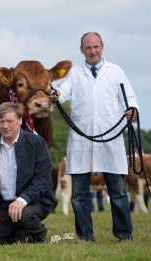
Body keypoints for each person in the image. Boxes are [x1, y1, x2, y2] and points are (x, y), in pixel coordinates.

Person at [53, 32, 138, 241]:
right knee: (79, 194)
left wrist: (133, 110)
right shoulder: (74, 73)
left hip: (110, 139)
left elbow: (131, 98)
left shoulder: (116, 71)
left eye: (96, 47)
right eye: (88, 48)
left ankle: (124, 235)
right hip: (81, 140)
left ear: (103, 47)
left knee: (117, 192)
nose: (92, 51)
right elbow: (63, 91)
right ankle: (85, 236)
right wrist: (55, 94)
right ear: (81, 50)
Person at [0, 102, 55, 245]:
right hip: (5, 205)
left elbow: (42, 179)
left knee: (24, 215)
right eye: (1, 121)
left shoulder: (37, 143)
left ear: (20, 120)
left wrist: (22, 200)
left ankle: (40, 235)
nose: (5, 126)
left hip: (35, 201)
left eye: (9, 121)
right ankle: (19, 233)